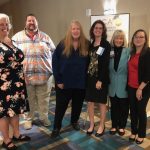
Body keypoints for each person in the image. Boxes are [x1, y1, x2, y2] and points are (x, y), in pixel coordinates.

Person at [12, 14, 55, 127]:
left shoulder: (45, 37)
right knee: (29, 99)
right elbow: (12, 58)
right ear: (26, 23)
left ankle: (43, 117)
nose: (31, 22)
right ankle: (29, 119)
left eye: (33, 20)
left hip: (44, 76)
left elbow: (54, 53)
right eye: (29, 20)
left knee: (44, 99)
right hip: (26, 77)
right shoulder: (17, 38)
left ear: (37, 23)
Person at [51, 20, 89, 138]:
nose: (76, 31)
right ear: (70, 31)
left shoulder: (86, 44)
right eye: (73, 29)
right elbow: (55, 62)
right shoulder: (62, 44)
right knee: (61, 106)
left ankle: (74, 121)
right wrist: (58, 80)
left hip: (80, 82)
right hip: (64, 83)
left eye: (78, 29)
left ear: (80, 31)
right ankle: (57, 127)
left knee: (78, 105)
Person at [0, 13, 30, 150]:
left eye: (6, 24)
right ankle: (6, 139)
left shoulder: (12, 41)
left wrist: (23, 76)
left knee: (16, 110)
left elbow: (19, 60)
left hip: (18, 83)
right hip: (3, 86)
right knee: (5, 113)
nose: (4, 26)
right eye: (1, 24)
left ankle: (17, 134)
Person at [85, 20, 111, 137]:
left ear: (103, 30)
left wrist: (100, 80)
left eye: (100, 28)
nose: (98, 30)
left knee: (101, 102)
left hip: (101, 78)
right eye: (96, 28)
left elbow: (105, 64)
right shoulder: (90, 44)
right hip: (90, 78)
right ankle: (91, 124)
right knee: (90, 102)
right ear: (93, 30)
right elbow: (89, 61)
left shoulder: (105, 44)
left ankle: (101, 125)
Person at [128, 29, 150, 144]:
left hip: (143, 88)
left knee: (141, 111)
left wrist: (140, 88)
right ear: (133, 39)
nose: (138, 39)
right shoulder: (131, 52)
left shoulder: (148, 53)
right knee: (133, 111)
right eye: (136, 36)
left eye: (141, 37)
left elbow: (148, 73)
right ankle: (133, 131)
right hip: (131, 87)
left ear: (145, 39)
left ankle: (141, 134)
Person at [108, 30, 130, 136]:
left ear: (123, 40)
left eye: (121, 38)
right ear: (113, 39)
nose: (118, 40)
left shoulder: (128, 51)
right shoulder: (109, 51)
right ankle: (113, 125)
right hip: (112, 83)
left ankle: (122, 126)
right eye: (117, 38)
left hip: (124, 83)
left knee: (124, 107)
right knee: (114, 106)